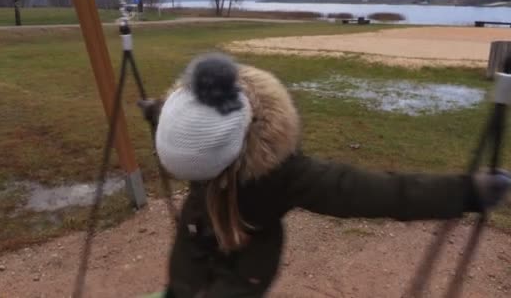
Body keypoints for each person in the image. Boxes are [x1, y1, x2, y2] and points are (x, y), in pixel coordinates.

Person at [137, 53, 510, 298]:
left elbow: (378, 192)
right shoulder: (195, 119)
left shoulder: (286, 174)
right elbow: (183, 129)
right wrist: (157, 111)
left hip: (244, 265)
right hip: (196, 236)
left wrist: (465, 193)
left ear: (232, 152)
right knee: (181, 287)